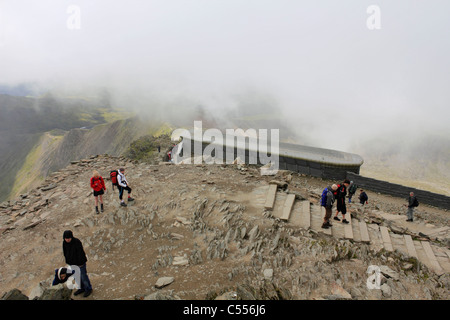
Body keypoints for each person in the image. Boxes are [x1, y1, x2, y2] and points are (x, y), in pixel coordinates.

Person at [62, 230, 92, 297]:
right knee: (76, 277)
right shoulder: (64, 243)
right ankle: (81, 288)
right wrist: (68, 262)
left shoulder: (76, 242)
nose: (67, 240)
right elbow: (65, 253)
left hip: (80, 264)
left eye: (69, 238)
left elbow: (81, 253)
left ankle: (88, 289)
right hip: (72, 264)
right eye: (66, 238)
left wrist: (80, 263)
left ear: (71, 237)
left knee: (83, 277)